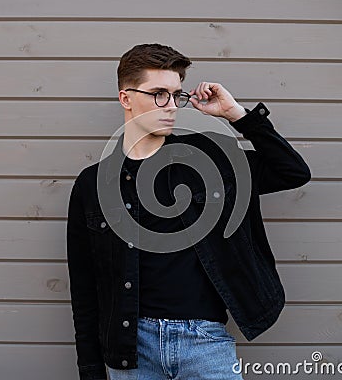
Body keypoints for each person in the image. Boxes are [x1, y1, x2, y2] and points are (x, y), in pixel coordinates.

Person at [66, 43, 311, 380]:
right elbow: (84, 289)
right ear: (126, 98)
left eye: (176, 94)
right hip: (130, 350)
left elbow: (292, 172)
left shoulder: (210, 159)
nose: (170, 106)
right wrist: (90, 370)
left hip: (205, 342)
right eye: (158, 94)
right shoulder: (92, 185)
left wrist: (236, 114)